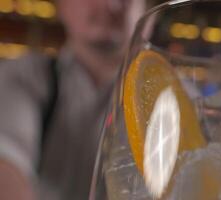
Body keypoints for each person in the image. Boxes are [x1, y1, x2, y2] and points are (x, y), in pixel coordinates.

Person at [0, 0, 144, 199]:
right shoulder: (24, 75)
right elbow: (7, 160)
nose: (111, 4)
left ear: (148, 13)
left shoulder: (172, 99)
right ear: (62, 7)